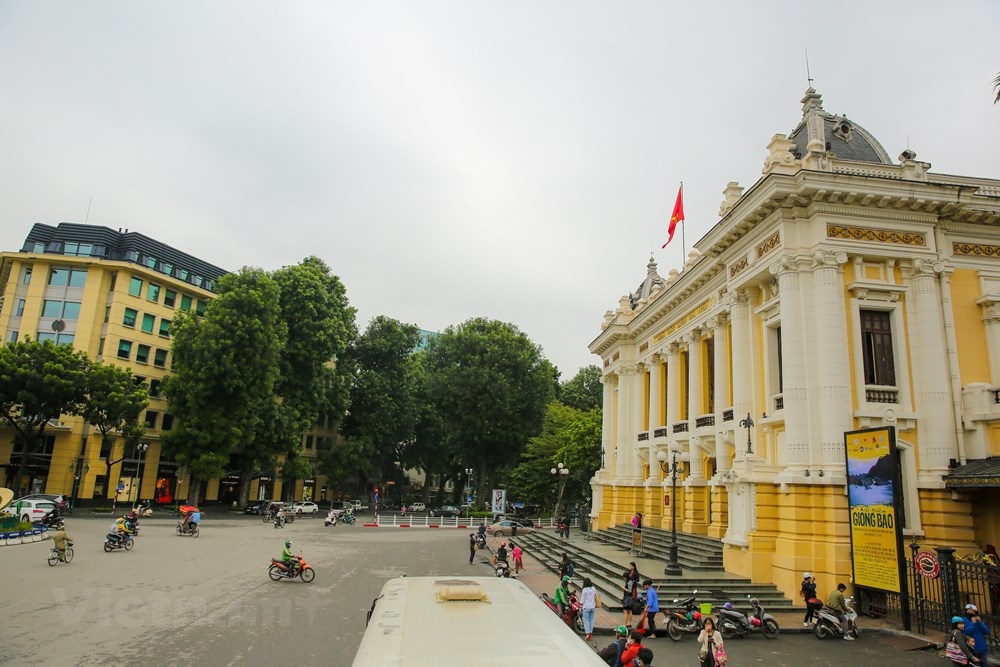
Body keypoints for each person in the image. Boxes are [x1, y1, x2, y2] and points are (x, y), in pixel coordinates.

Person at [621, 561, 640, 627]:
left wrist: (624, 588)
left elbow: (629, 590)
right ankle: (629, 623)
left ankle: (625, 623)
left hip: (628, 597)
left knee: (626, 611)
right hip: (629, 596)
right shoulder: (629, 575)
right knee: (630, 610)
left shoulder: (630, 581)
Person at [580, 576, 598, 641]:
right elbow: (595, 595)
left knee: (586, 620)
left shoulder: (584, 590)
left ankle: (587, 633)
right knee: (591, 620)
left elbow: (582, 599)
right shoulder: (593, 588)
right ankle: (590, 632)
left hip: (586, 607)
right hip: (592, 607)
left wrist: (580, 605)